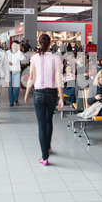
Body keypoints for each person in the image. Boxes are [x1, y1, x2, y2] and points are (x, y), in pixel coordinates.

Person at [24, 34, 64, 166]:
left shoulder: (34, 58)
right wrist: (61, 98)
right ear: (50, 43)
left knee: (42, 125)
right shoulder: (56, 58)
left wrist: (27, 93)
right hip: (52, 93)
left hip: (39, 94)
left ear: (39, 42)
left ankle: (44, 157)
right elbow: (59, 78)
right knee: (49, 121)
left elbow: (31, 78)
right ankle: (48, 147)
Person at [7, 40, 26, 107]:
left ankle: (16, 99)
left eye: (16, 45)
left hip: (17, 72)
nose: (14, 46)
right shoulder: (7, 52)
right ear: (11, 45)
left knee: (17, 87)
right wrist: (7, 62)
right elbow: (4, 61)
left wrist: (19, 50)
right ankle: (11, 101)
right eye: (13, 45)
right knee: (10, 88)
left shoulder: (19, 53)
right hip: (9, 72)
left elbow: (23, 59)